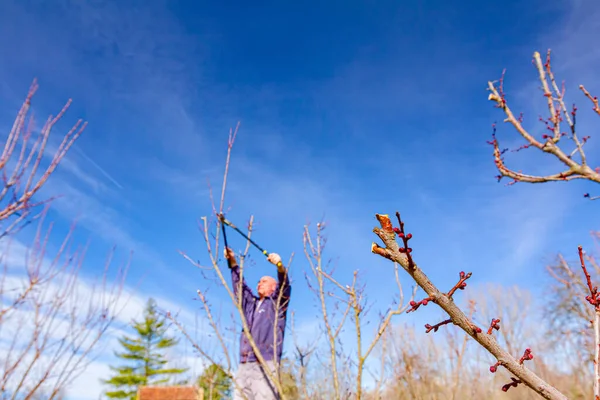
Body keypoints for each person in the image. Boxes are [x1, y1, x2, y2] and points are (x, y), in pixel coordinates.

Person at [224, 247, 292, 400]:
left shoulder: (277, 303)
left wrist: (280, 267)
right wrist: (233, 262)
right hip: (244, 364)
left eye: (264, 281)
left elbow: (285, 286)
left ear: (274, 287)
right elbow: (240, 287)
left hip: (266, 363)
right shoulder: (251, 305)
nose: (259, 283)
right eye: (259, 281)